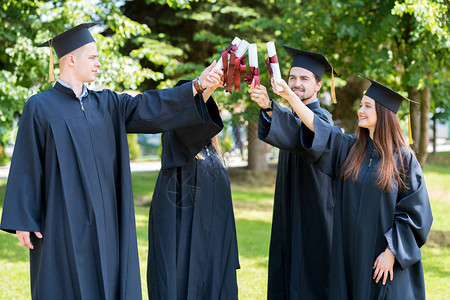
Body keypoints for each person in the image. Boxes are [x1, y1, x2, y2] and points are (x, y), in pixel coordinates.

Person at [0, 22, 223, 299]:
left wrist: (198, 85)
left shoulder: (108, 104)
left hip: (108, 219)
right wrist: (24, 219)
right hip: (61, 220)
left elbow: (151, 105)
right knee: (64, 281)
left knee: (110, 279)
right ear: (71, 59)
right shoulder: (39, 107)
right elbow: (26, 165)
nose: (98, 63)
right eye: (92, 57)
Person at [270, 73, 433, 299]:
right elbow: (320, 129)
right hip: (349, 256)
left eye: (368, 106)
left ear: (384, 114)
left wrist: (392, 253)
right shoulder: (351, 150)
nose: (361, 111)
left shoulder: (403, 159)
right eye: (361, 105)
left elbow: (416, 214)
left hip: (384, 261)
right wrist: (289, 97)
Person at [248, 47, 336, 299]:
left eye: (304, 79)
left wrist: (272, 105)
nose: (296, 84)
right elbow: (289, 122)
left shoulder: (323, 118)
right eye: (292, 77)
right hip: (289, 211)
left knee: (311, 280)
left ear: (318, 85)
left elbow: (301, 130)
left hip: (314, 216)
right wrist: (267, 105)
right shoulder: (291, 115)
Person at [147, 79, 239, 299]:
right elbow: (182, 123)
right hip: (182, 241)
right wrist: (209, 88)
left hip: (214, 244)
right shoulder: (176, 146)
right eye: (194, 108)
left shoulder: (214, 154)